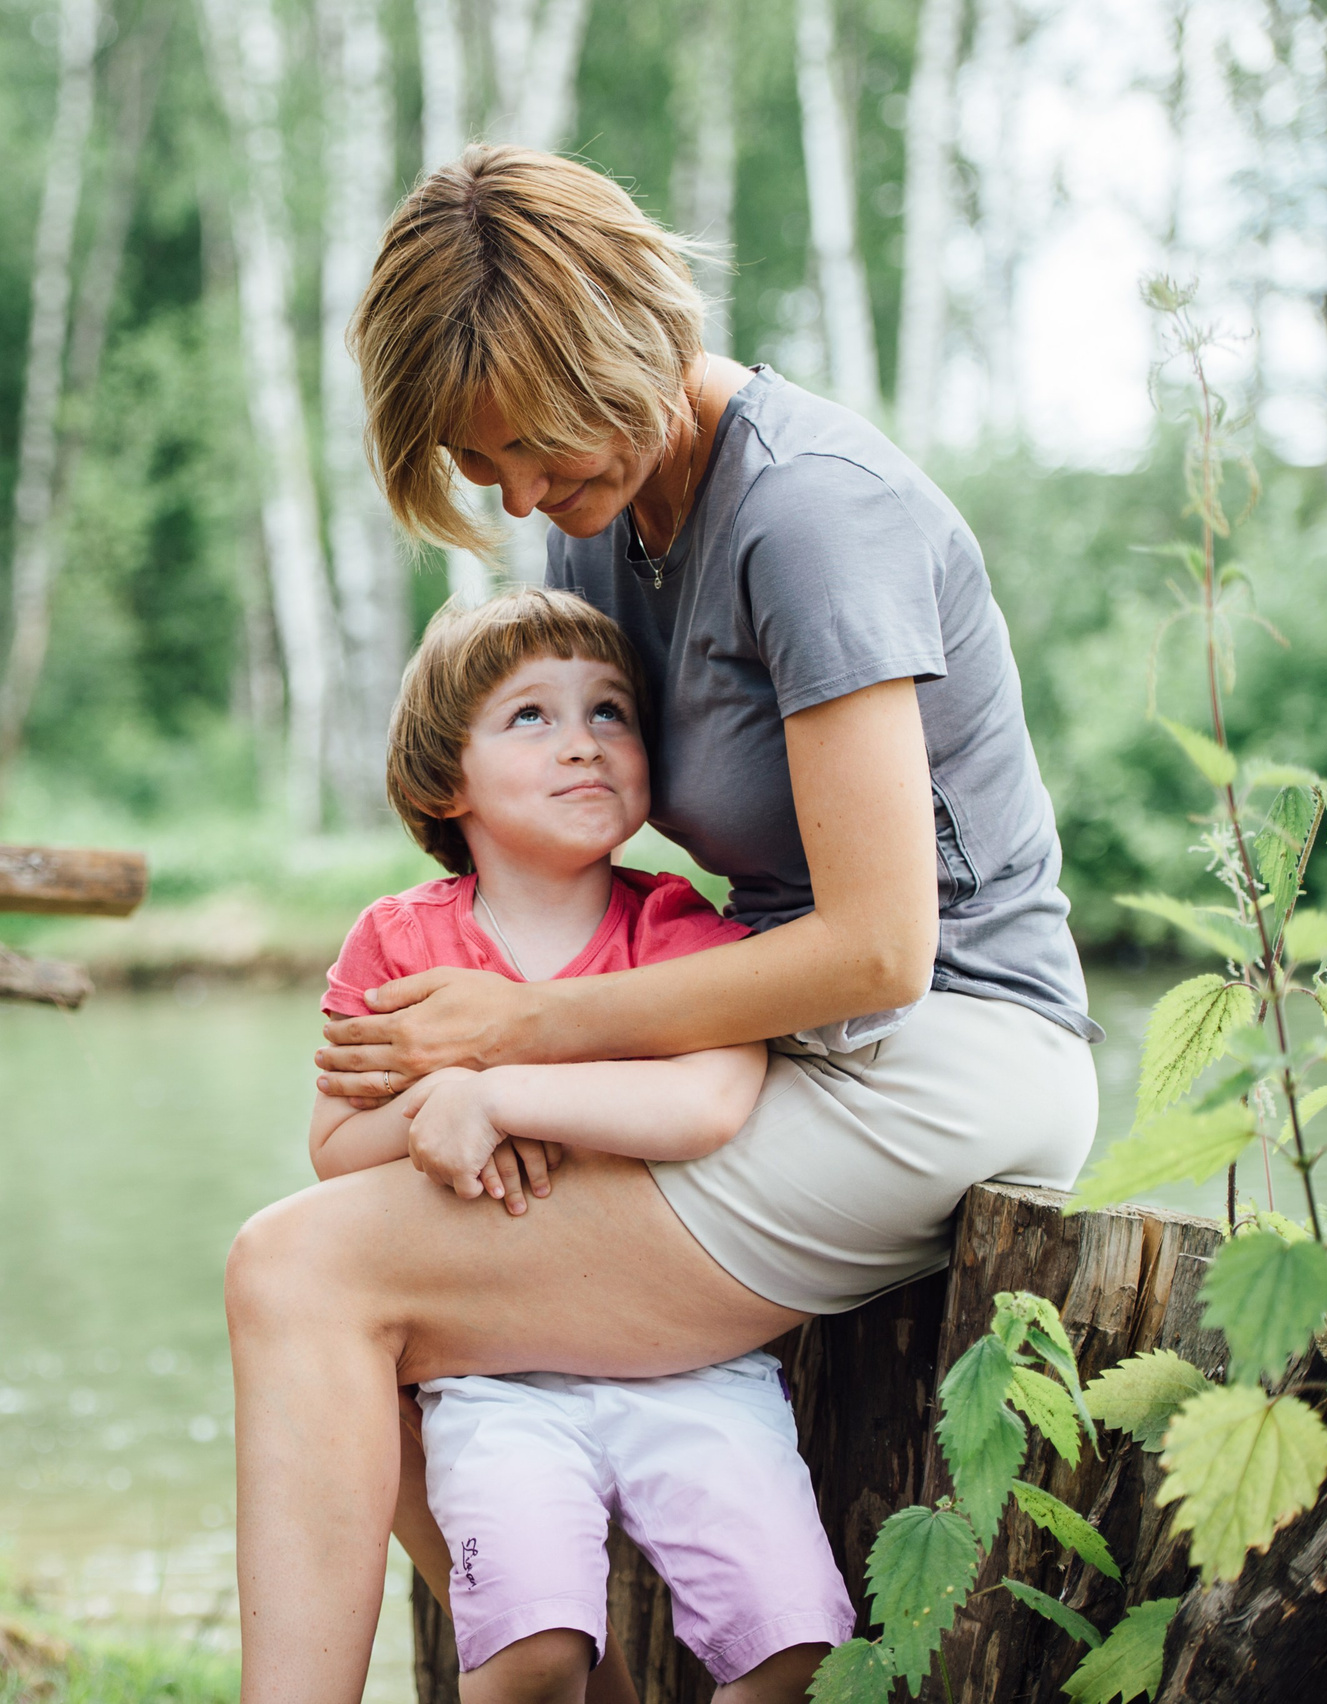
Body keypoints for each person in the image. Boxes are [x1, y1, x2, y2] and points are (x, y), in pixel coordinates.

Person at [224, 143, 1100, 1703]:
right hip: (763, 1039)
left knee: (307, 1281)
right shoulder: (603, 520)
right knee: (314, 1265)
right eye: (482, 467)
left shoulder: (814, 516)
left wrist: (520, 1036)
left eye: (527, 450)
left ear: (619, 341)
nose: (515, 496)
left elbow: (883, 950)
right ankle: (552, 1667)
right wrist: (456, 1020)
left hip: (941, 1054)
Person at [308, 587, 854, 1702]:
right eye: (530, 718)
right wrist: (435, 1104)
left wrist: (502, 1094)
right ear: (440, 780)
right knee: (532, 1656)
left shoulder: (679, 931)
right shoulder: (402, 941)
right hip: (495, 1375)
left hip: (687, 1363)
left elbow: (704, 1108)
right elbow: (332, 1146)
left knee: (791, 1647)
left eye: (610, 712)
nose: (583, 743)